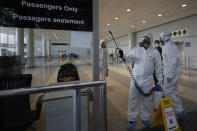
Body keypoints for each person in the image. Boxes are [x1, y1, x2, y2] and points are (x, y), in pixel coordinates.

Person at [125, 33, 163, 131]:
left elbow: (158, 67)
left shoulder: (155, 52)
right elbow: (129, 59)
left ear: (150, 40)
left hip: (148, 80)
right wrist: (122, 56)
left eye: (147, 39)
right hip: (135, 79)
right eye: (144, 39)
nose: (145, 40)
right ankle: (132, 119)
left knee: (147, 101)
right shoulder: (137, 49)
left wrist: (159, 80)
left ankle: (145, 118)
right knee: (133, 99)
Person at [160, 32, 186, 120]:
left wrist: (169, 75)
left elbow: (172, 61)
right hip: (171, 72)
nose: (160, 40)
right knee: (173, 90)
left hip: (171, 73)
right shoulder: (168, 45)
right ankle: (179, 110)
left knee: (169, 91)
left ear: (164, 38)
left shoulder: (169, 47)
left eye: (160, 38)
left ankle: (178, 111)